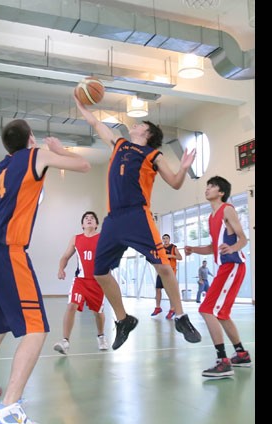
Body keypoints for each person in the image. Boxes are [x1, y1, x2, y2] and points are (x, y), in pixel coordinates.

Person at [0, 118, 91, 423]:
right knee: (36, 328)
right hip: (8, 251)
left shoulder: (0, 168)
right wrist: (59, 149)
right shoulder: (36, 155)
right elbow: (84, 165)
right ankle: (8, 408)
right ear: (31, 138)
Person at [74, 92, 201, 351]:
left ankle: (181, 317)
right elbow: (96, 123)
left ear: (147, 133)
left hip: (137, 215)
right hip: (113, 218)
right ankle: (124, 320)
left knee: (163, 266)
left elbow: (175, 183)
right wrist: (81, 104)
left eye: (141, 124)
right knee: (99, 272)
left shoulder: (153, 155)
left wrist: (184, 167)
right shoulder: (119, 144)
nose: (135, 124)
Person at [184, 176, 252, 379]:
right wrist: (193, 249)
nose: (207, 189)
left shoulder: (227, 209)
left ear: (221, 192)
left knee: (206, 309)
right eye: (207, 186)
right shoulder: (211, 217)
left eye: (212, 186)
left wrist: (232, 248)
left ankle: (223, 361)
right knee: (221, 313)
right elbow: (212, 247)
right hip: (226, 268)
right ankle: (241, 354)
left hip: (233, 266)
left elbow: (243, 239)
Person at [53, 210, 109, 355]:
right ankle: (65, 341)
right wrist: (61, 269)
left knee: (98, 312)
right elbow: (65, 257)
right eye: (86, 218)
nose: (89, 219)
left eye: (92, 218)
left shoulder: (102, 238)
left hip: (97, 281)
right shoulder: (76, 239)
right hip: (80, 281)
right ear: (82, 225)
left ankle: (101, 336)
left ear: (96, 224)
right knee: (71, 305)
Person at [151, 234, 182, 319]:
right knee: (158, 289)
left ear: (169, 239)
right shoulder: (160, 248)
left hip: (170, 272)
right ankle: (158, 307)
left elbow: (180, 257)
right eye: (164, 238)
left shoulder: (173, 247)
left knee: (170, 291)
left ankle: (172, 309)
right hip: (161, 271)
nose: (165, 240)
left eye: (166, 238)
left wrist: (171, 256)